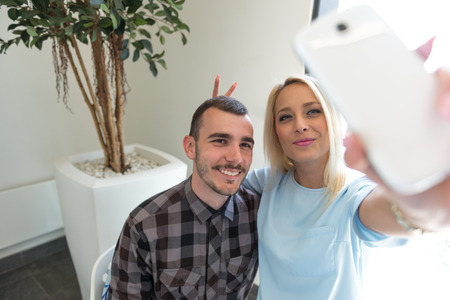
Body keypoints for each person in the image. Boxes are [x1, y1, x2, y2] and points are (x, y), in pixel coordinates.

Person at [237, 74, 434, 299]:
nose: (300, 125)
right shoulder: (267, 182)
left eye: (312, 111)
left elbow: (405, 217)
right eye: (285, 117)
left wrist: (427, 203)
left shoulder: (354, 192)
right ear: (275, 133)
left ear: (331, 118)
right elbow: (215, 193)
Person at [108, 95, 260, 299]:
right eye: (220, 141)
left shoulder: (259, 213)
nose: (235, 157)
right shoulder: (145, 226)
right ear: (190, 147)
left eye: (245, 145)